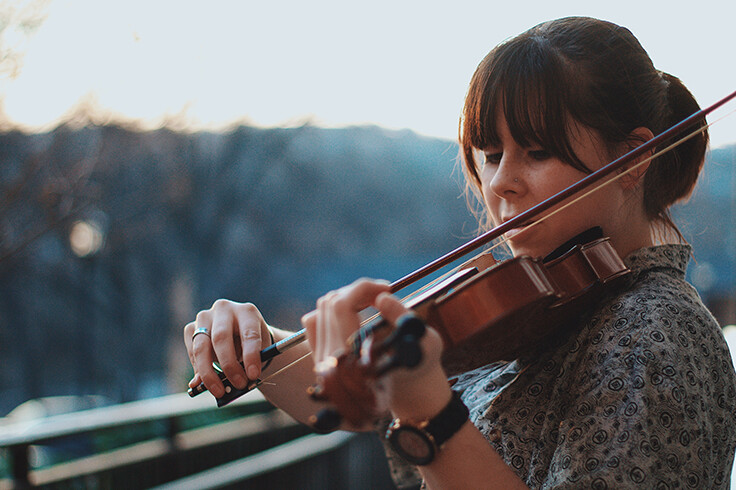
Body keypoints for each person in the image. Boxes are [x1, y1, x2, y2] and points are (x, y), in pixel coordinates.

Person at [184, 16, 736, 489]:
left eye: (537, 152)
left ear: (633, 159)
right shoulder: (545, 307)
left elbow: (428, 416)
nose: (501, 184)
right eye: (491, 154)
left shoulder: (657, 330)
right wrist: (261, 346)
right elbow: (349, 403)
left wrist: (430, 415)